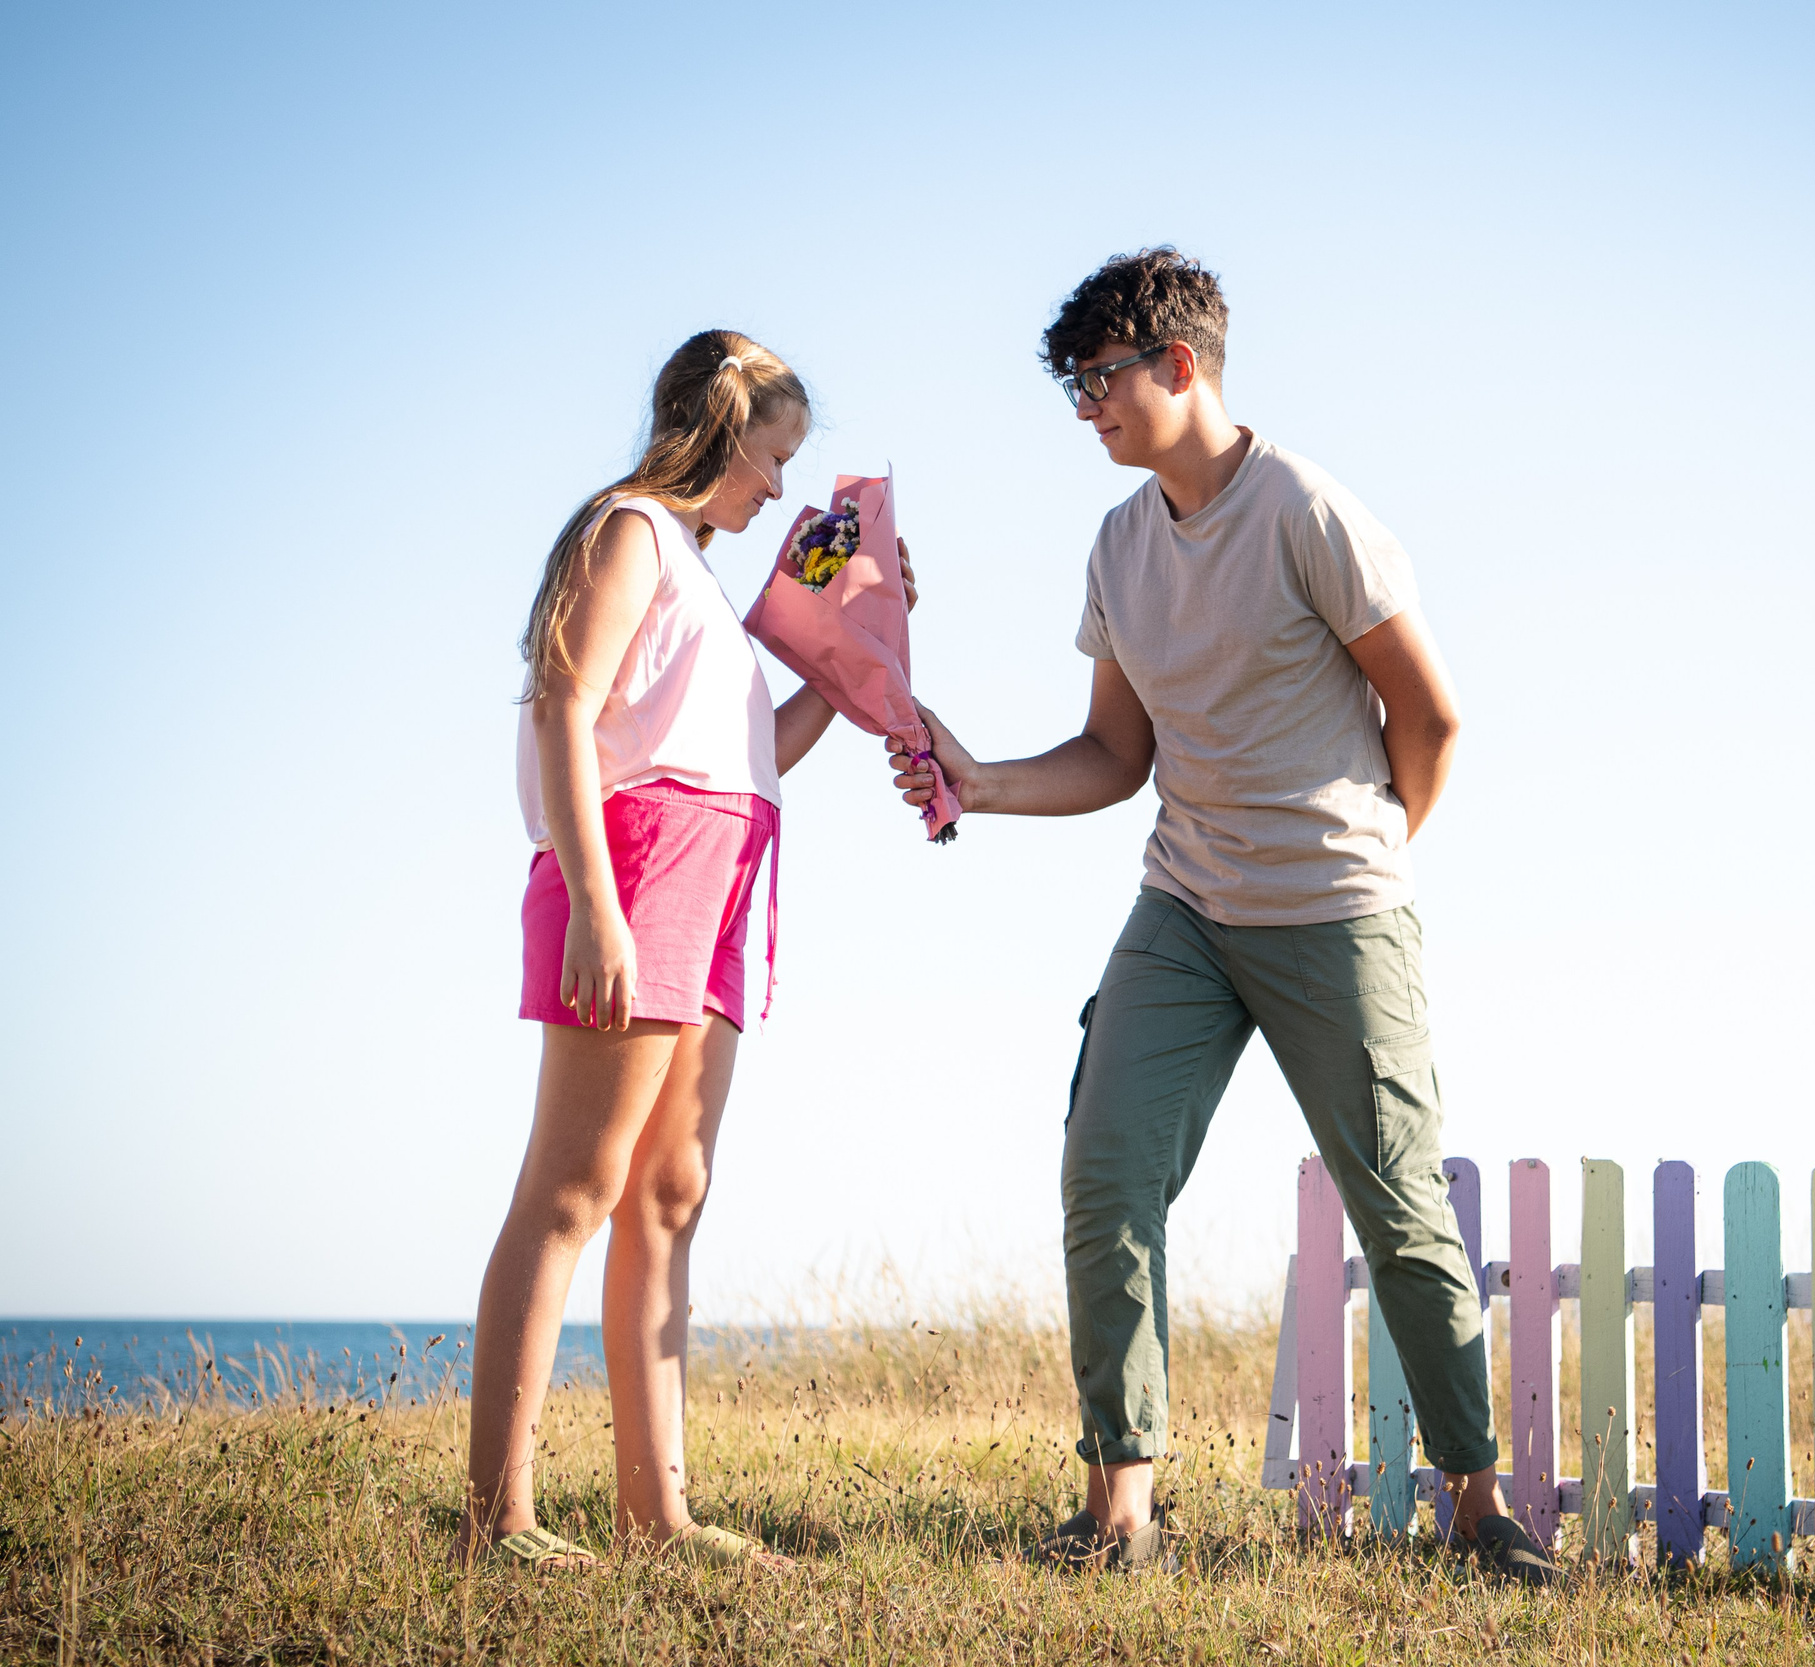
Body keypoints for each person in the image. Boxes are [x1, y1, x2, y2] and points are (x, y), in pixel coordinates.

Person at [887, 250, 1559, 1585]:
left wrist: (1364, 853)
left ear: (1179, 365)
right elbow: (1115, 752)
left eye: (1101, 380)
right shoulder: (1120, 544)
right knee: (1106, 1173)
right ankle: (1119, 1507)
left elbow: (1430, 715)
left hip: (1336, 911)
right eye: (1075, 387)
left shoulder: (1306, 510)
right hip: (1184, 908)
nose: (1087, 408)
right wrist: (980, 781)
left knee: (1398, 1206)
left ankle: (1478, 1507)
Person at [462, 331, 904, 1571]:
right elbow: (566, 704)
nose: (780, 488)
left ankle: (656, 1517)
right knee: (573, 1187)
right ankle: (497, 1521)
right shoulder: (630, 532)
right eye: (773, 457)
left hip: (722, 868)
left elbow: (758, 755)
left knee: (668, 1192)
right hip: (639, 861)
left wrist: (866, 644)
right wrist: (595, 904)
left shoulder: (700, 576)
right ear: (721, 429)